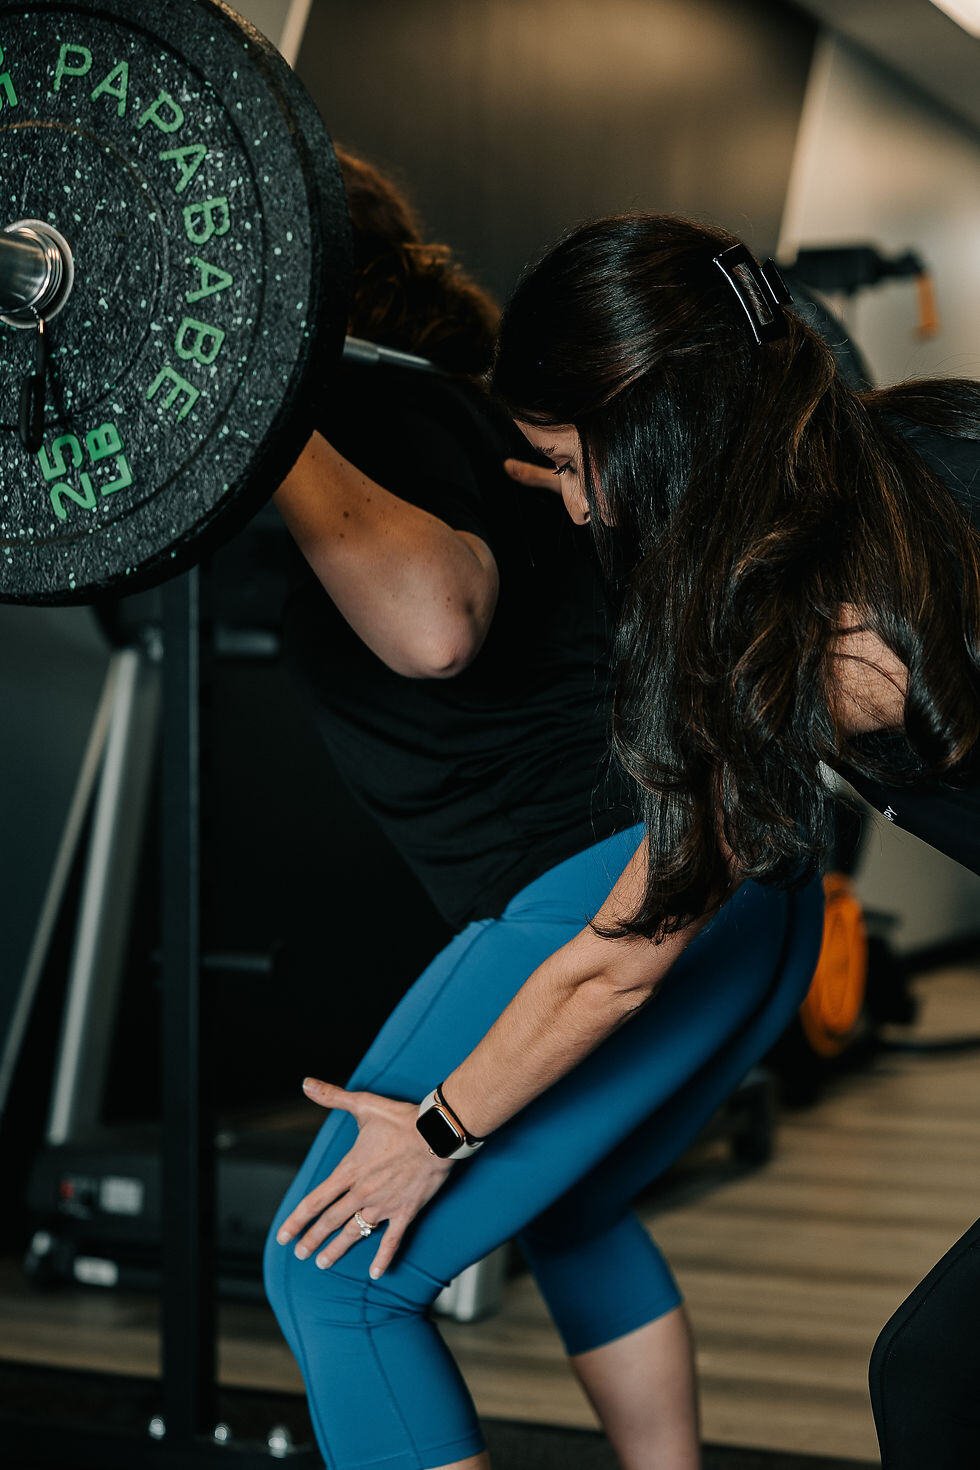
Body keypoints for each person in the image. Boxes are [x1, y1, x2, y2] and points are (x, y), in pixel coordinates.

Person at [265, 169, 825, 1470]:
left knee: (336, 1280)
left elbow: (433, 627)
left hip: (619, 885)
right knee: (576, 1205)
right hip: (755, 884)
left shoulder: (352, 405)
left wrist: (268, 413)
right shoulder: (497, 415)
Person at [487, 213, 980, 1470]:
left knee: (939, 1387)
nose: (577, 509)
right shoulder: (915, 445)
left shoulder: (773, 621)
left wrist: (430, 1128)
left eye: (564, 462)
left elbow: (623, 951)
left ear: (649, 438)